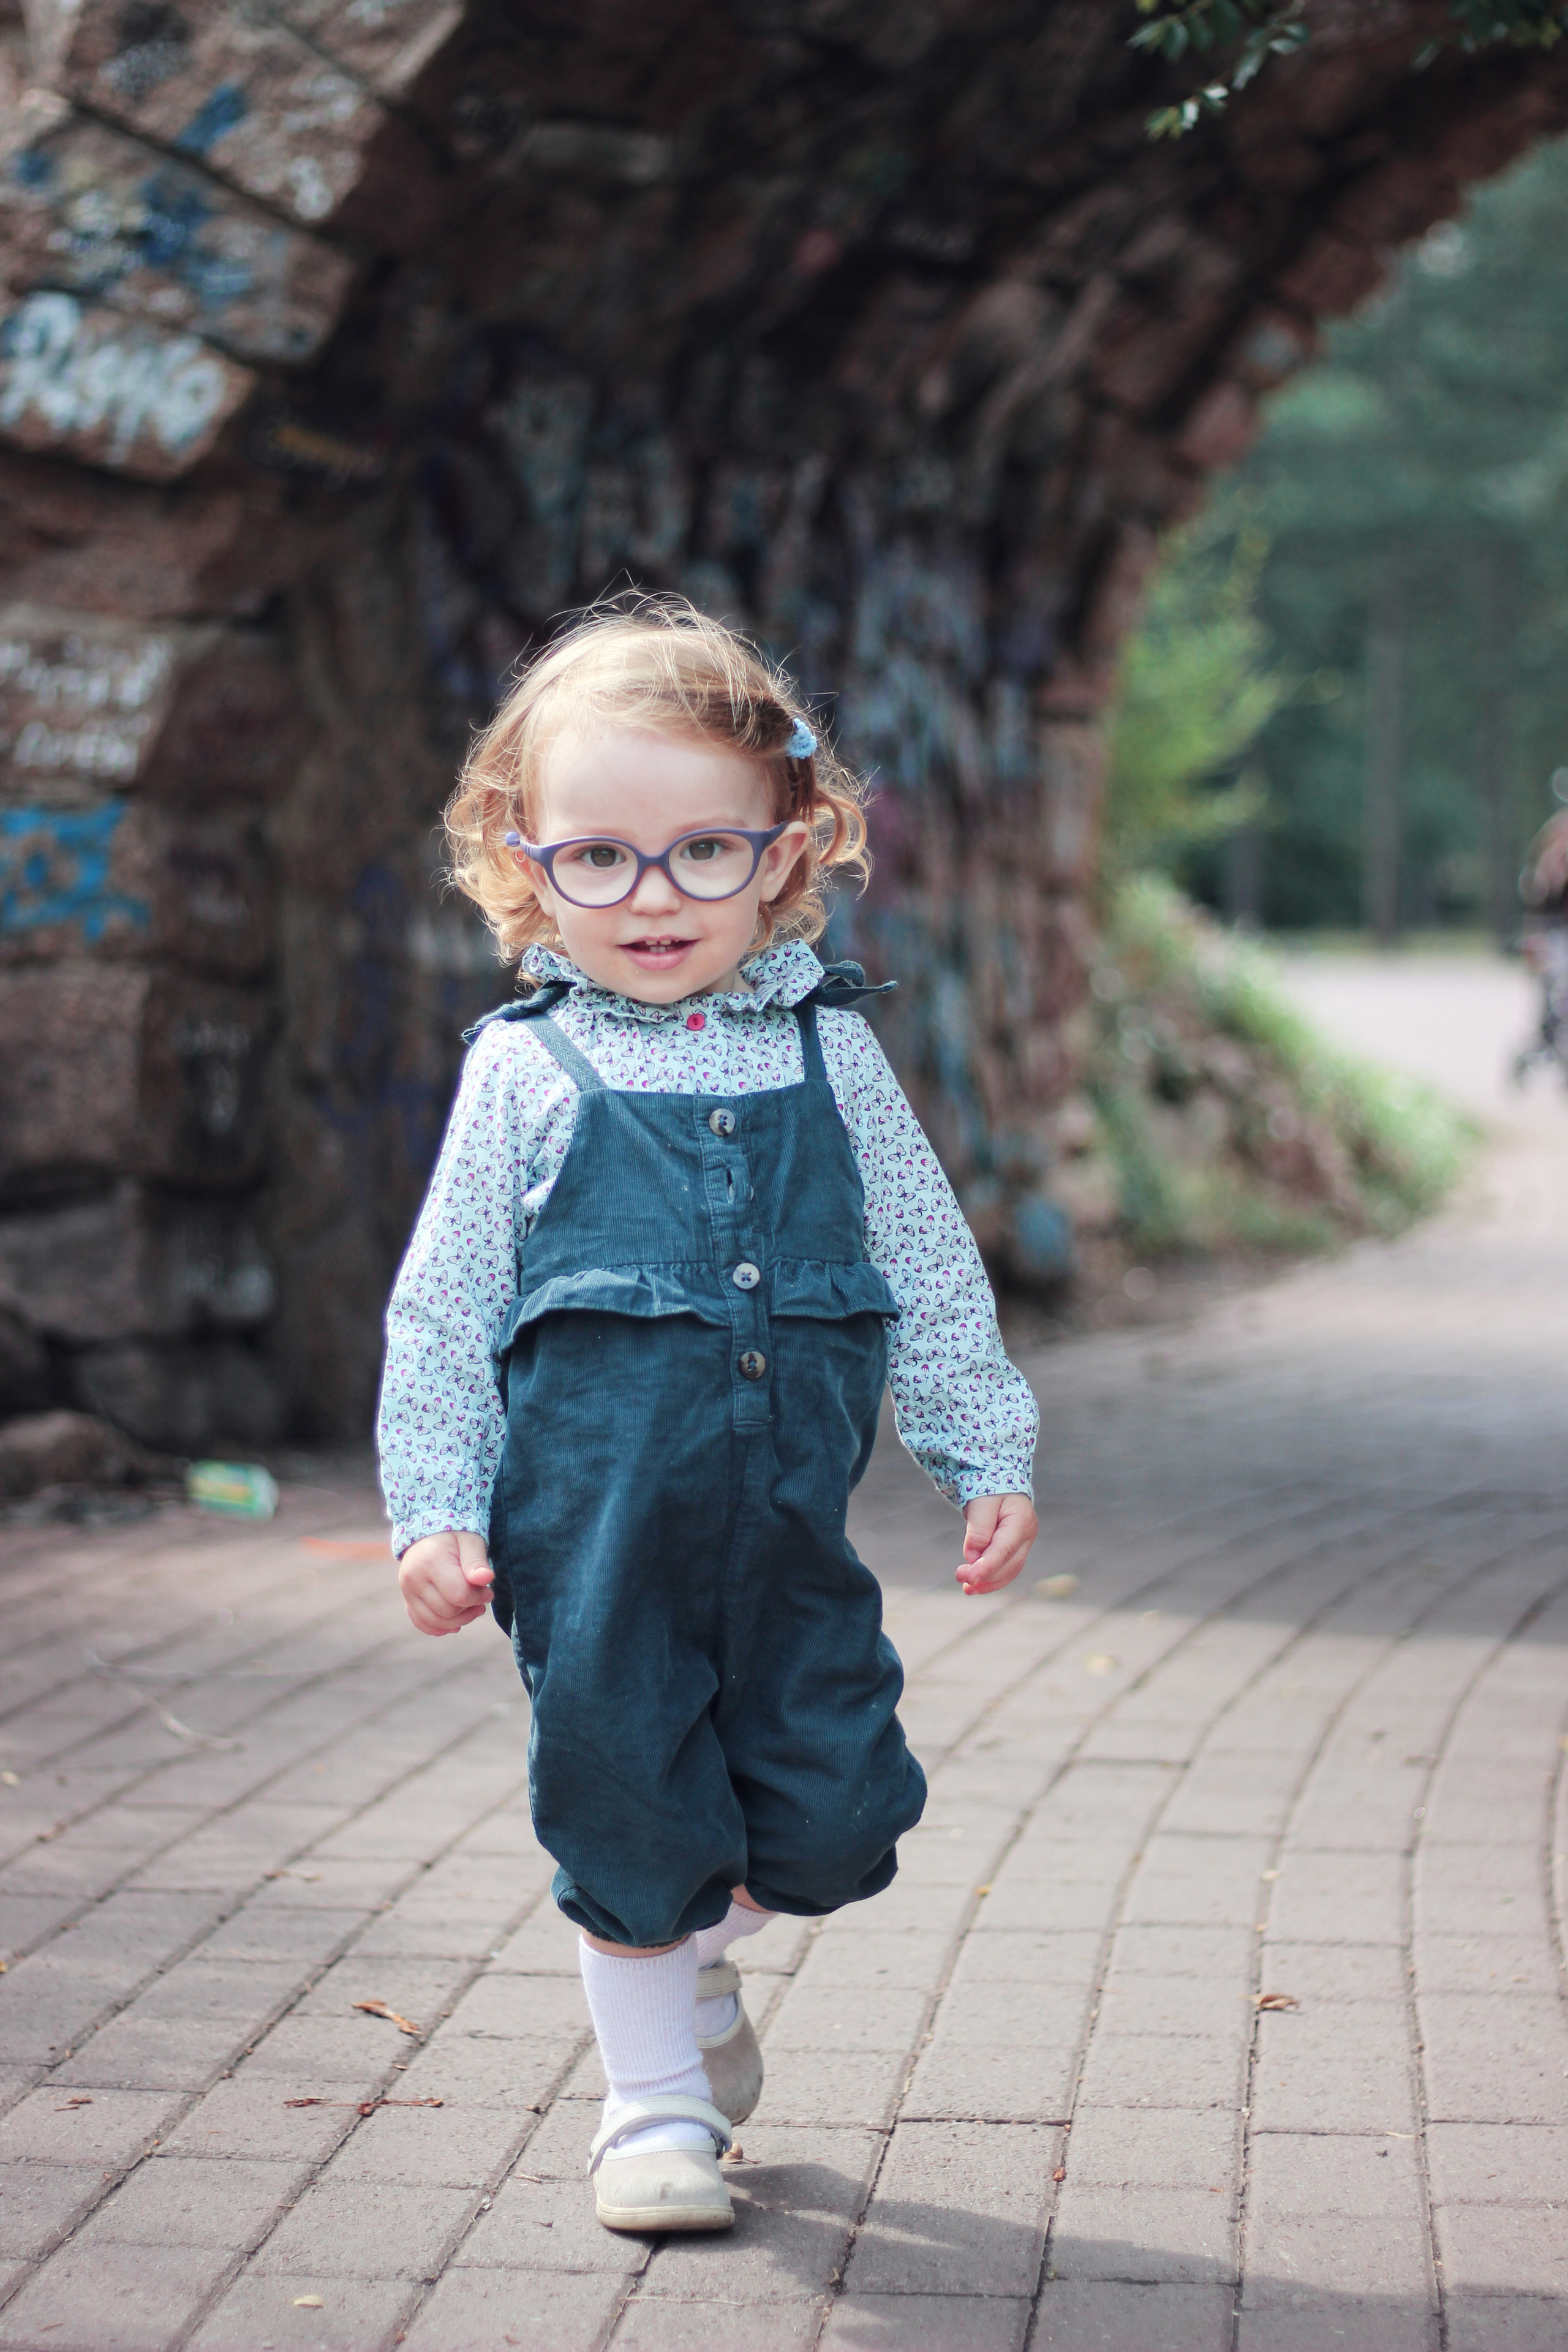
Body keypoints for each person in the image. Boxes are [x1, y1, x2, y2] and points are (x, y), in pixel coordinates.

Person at [377, 597, 1039, 2235]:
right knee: (624, 1801)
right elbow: (446, 1307)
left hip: (785, 1533)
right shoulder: (525, 1072)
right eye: (599, 856)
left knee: (835, 1819)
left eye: (700, 852)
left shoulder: (830, 1050)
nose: (651, 896)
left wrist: (985, 1444)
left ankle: (683, 1975)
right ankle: (653, 2105)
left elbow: (924, 1259)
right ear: (525, 861)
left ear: (786, 848)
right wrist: (430, 1502)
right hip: (588, 1538)